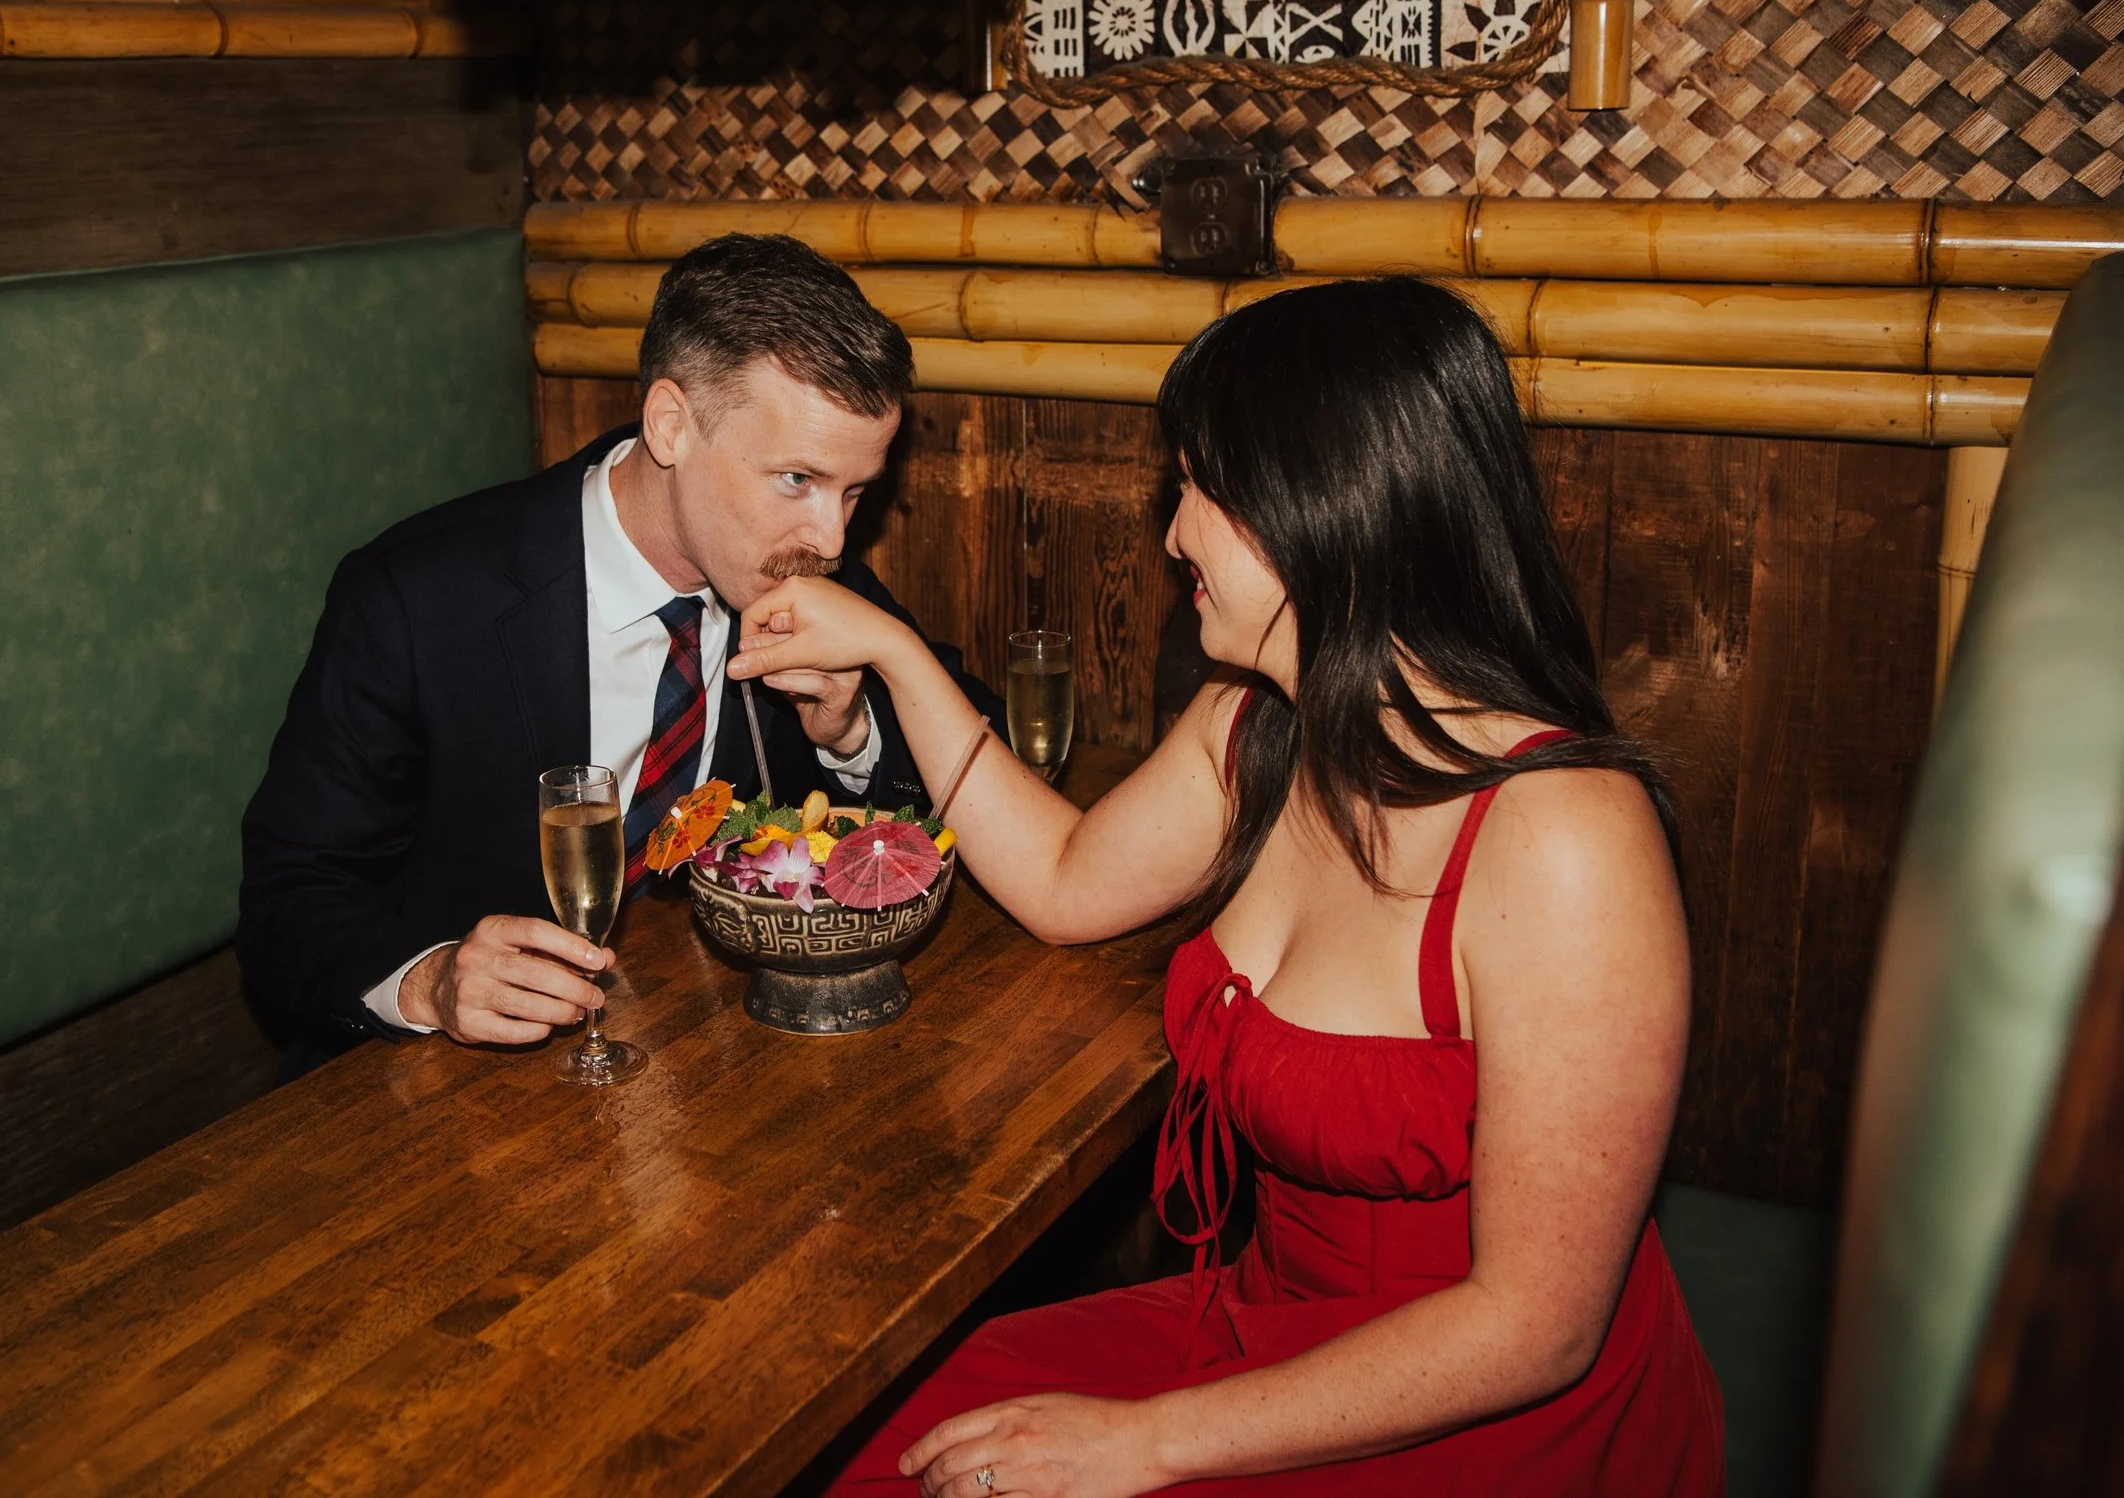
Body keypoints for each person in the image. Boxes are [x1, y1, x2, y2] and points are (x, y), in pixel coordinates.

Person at [730, 278, 1723, 1496]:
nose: (1172, 532)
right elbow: (1061, 881)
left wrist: (1139, 1442)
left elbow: (1536, 1324)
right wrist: (888, 652)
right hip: (1255, 1322)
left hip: (1471, 1406)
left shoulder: (1566, 837)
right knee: (897, 1425)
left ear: (1321, 508)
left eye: (1199, 487)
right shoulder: (1257, 722)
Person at [237, 233, 1001, 1057]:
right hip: (448, 1096)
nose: (830, 533)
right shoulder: (414, 599)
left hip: (698, 1052)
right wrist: (432, 979)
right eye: (796, 479)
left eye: (856, 491)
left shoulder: (802, 564)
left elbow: (982, 770)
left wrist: (851, 736)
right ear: (672, 424)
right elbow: (289, 899)